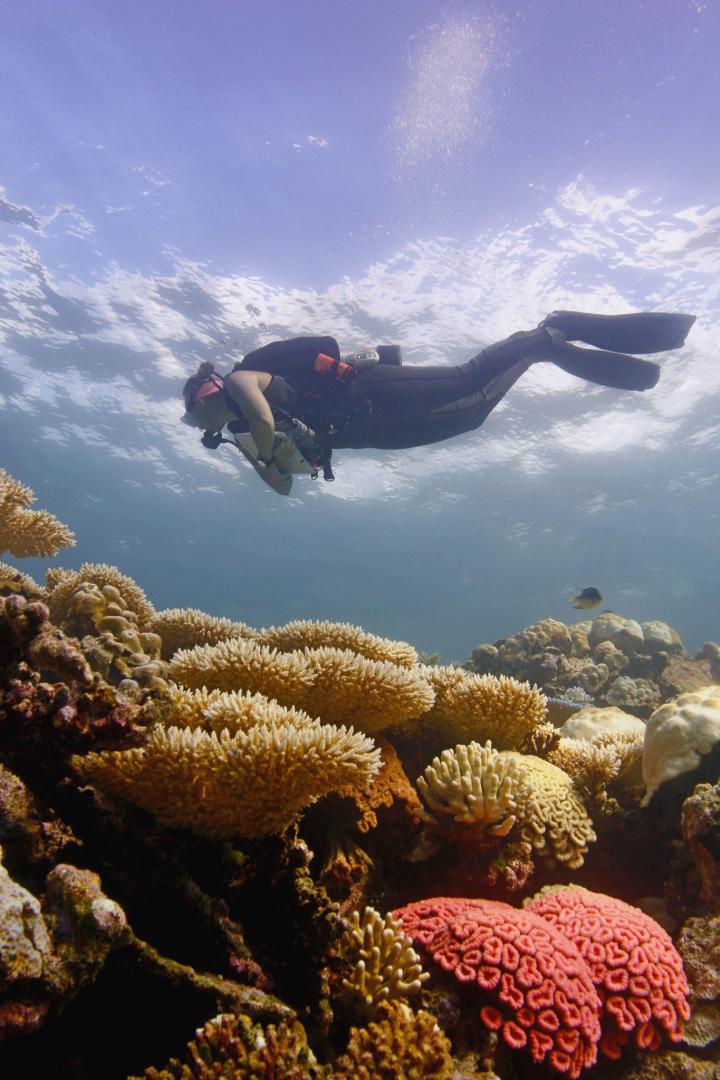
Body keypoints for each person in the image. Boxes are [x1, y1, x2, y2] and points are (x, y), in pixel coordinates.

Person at [181, 310, 696, 494]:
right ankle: (543, 354)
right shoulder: (245, 436)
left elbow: (262, 411)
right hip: (365, 433)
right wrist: (257, 458)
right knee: (470, 415)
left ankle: (548, 330)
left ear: (207, 390)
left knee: (465, 378)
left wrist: (265, 448)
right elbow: (283, 488)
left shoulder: (242, 378)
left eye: (195, 404)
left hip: (366, 390)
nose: (197, 415)